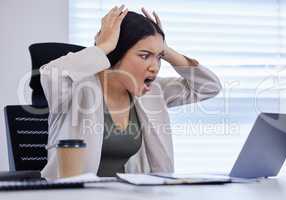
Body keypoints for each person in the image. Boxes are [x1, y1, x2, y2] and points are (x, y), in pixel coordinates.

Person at [40, 5, 222, 179]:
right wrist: (103, 46)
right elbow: (51, 75)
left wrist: (164, 48)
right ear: (116, 53)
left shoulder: (153, 92)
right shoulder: (77, 89)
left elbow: (209, 86)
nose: (155, 67)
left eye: (158, 58)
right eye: (144, 56)